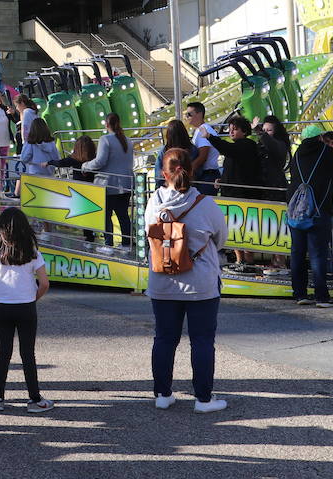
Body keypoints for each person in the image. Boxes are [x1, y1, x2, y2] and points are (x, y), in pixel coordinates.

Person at [144, 147, 228, 413]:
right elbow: (221, 238)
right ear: (191, 171)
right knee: (202, 340)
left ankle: (162, 394)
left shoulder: (153, 202)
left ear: (163, 174)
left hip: (162, 281)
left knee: (164, 338)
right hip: (200, 283)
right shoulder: (205, 204)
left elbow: (147, 233)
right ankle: (203, 399)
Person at [0, 207, 52, 413]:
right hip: (26, 307)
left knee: (3, 352)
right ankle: (34, 399)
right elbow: (44, 283)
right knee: (27, 353)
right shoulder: (32, 253)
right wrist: (33, 298)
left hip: (2, 307)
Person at [289, 125, 333, 307]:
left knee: (297, 253)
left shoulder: (297, 153)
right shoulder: (326, 152)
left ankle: (300, 294)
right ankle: (322, 297)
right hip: (319, 210)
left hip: (297, 212)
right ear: (320, 137)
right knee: (318, 254)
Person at [82, 112, 133, 249]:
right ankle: (126, 244)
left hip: (108, 184)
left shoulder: (105, 139)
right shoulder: (128, 140)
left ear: (106, 124)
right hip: (126, 184)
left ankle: (108, 245)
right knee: (123, 216)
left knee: (106, 216)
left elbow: (100, 161)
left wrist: (85, 166)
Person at [206, 116, 265, 200]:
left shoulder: (247, 145)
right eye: (230, 129)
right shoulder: (237, 147)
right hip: (232, 194)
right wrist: (223, 181)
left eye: (235, 129)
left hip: (242, 196)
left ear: (244, 131)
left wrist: (210, 137)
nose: (231, 132)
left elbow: (227, 148)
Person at [183, 102, 221, 196]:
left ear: (199, 114)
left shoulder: (203, 130)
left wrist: (188, 172)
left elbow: (203, 156)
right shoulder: (201, 129)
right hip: (207, 174)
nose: (187, 117)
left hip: (207, 175)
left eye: (189, 114)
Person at [255, 116, 290, 202]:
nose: (266, 133)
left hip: (275, 188)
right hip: (261, 187)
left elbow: (271, 144)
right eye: (264, 130)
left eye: (269, 130)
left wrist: (258, 130)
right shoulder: (259, 146)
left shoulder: (280, 144)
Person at [154, 120, 194, 188]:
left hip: (167, 187)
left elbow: (158, 176)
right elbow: (198, 172)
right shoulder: (192, 150)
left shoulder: (164, 151)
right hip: (188, 186)